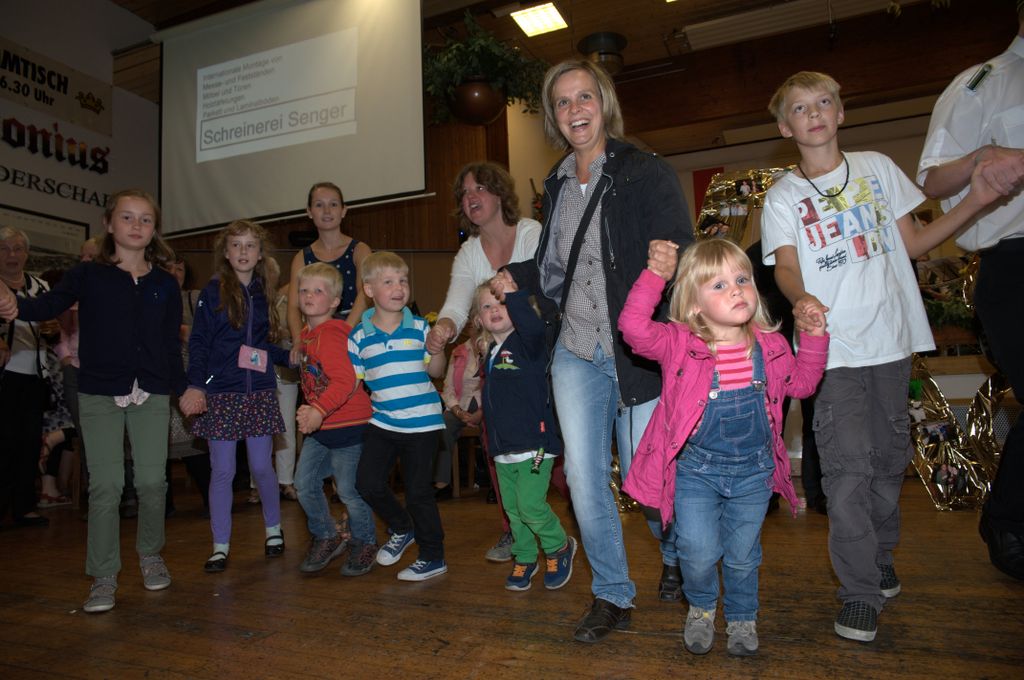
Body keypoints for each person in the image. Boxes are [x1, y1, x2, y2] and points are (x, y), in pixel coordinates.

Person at [761, 71, 1011, 642]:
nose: (814, 113)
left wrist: (977, 200)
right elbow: (786, 266)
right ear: (784, 127)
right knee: (847, 470)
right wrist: (802, 300)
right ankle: (858, 592)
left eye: (824, 101)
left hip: (893, 343)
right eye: (800, 108)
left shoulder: (876, 168)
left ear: (841, 112)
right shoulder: (784, 196)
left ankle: (879, 555)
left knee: (887, 462)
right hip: (832, 352)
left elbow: (915, 242)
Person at [496, 59, 693, 643]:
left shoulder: (644, 170)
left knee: (647, 481)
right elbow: (557, 265)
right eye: (562, 102)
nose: (574, 109)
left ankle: (677, 556)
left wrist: (670, 258)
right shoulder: (556, 183)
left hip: (636, 347)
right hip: (576, 349)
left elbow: (681, 244)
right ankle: (612, 594)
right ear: (554, 117)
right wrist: (517, 275)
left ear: (603, 103)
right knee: (583, 477)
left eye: (584, 97)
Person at [620, 239, 828, 656]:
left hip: (754, 472)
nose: (736, 290)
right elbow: (633, 329)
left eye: (742, 279)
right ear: (694, 305)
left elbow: (803, 385)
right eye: (719, 285)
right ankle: (700, 607)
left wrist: (813, 337)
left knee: (742, 555)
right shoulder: (679, 343)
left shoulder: (771, 346)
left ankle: (742, 615)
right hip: (696, 471)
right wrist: (656, 277)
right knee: (696, 553)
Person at [0, 189, 186, 613]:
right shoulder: (88, 275)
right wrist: (14, 306)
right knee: (106, 485)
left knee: (152, 482)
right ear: (109, 223)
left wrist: (187, 387)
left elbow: (169, 344)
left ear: (154, 229)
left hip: (151, 391)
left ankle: (150, 554)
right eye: (127, 217)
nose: (136, 225)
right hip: (100, 390)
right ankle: (103, 575)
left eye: (145, 219)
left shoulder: (164, 283)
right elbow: (47, 304)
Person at [917, 5, 1024, 581]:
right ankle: (1007, 521)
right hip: (1015, 259)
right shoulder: (984, 83)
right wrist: (985, 157)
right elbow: (932, 179)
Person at [425, 161, 542, 560]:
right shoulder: (468, 252)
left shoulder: (531, 233)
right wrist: (443, 329)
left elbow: (547, 291)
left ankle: (567, 525)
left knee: (550, 453)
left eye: (479, 189)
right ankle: (513, 529)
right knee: (499, 448)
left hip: (539, 361)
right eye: (464, 193)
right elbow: (457, 306)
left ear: (499, 193)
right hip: (497, 365)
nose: (470, 198)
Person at [179, 220, 291, 574]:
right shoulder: (212, 292)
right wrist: (197, 384)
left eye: (250, 245)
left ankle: (273, 530)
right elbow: (199, 342)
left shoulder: (263, 292)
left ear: (260, 254)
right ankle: (220, 546)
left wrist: (289, 357)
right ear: (225, 253)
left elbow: (264, 346)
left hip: (258, 392)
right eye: (236, 245)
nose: (243, 251)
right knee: (223, 470)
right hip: (222, 393)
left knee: (261, 466)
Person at [349, 251, 449, 582]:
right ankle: (403, 527)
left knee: (418, 492)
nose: (399, 287)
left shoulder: (420, 327)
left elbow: (436, 371)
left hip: (423, 421)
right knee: (366, 482)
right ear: (369, 290)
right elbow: (354, 383)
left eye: (403, 280)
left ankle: (433, 556)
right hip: (383, 421)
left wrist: (437, 350)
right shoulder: (358, 337)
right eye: (389, 281)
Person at [480, 281, 576, 591]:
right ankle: (525, 556)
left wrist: (514, 296)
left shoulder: (528, 344)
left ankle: (558, 546)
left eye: (501, 303)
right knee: (513, 510)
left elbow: (533, 328)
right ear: (479, 319)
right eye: (486, 306)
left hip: (535, 446)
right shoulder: (491, 354)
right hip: (504, 450)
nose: (495, 309)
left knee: (530, 506)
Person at [292, 263, 378, 577]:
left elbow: (345, 381)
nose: (309, 295)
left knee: (349, 491)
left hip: (349, 427)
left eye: (318, 291)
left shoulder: (333, 334)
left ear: (334, 301)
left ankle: (365, 541)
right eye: (304, 290)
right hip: (322, 427)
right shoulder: (307, 335)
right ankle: (327, 535)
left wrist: (317, 409)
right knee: (303, 484)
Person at [0, 226, 56, 528]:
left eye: (18, 249)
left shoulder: (40, 286)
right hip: (5, 376)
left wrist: (53, 329)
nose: (12, 255)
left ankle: (24, 506)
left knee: (30, 442)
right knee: (4, 441)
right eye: (4, 249)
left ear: (27, 254)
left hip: (35, 374)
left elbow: (53, 329)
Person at [287, 182, 371, 344]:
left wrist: (344, 332)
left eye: (333, 204)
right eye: (319, 205)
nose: (326, 211)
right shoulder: (301, 257)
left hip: (356, 334)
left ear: (343, 210)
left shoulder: (360, 250)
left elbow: (365, 293)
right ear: (309, 211)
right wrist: (298, 342)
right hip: (316, 338)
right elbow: (293, 306)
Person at [433, 329, 483, 500]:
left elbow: (497, 388)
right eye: (472, 323)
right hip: (460, 405)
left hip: (486, 405)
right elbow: (448, 387)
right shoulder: (458, 351)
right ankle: (442, 484)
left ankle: (495, 485)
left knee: (494, 427)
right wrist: (457, 411)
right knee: (443, 425)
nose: (476, 327)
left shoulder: (495, 347)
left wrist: (481, 412)